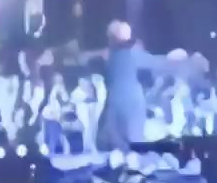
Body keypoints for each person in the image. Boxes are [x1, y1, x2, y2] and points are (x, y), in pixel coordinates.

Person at [70, 20, 204, 151]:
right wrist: (184, 62)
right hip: (129, 104)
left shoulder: (112, 55)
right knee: (128, 141)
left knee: (119, 141)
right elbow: (157, 62)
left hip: (118, 104)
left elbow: (89, 59)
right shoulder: (127, 55)